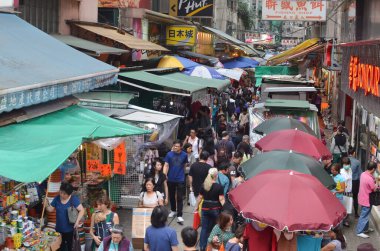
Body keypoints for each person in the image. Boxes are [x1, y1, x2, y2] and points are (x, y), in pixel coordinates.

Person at [45, 182, 85, 250]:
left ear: (69, 194)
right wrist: (46, 205)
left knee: (70, 247)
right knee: (60, 247)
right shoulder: (57, 198)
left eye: (64, 194)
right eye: (61, 192)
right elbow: (50, 209)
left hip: (70, 230)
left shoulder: (73, 199)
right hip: (59, 229)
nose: (61, 195)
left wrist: (77, 221)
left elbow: (82, 210)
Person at [195, 168, 225, 251]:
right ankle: (215, 247)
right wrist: (225, 209)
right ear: (216, 176)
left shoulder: (204, 185)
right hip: (215, 209)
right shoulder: (219, 187)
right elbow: (221, 199)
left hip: (205, 209)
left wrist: (196, 206)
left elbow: (200, 197)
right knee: (216, 227)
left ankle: (202, 246)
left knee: (204, 228)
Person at [163, 140, 188, 224]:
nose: (175, 147)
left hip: (180, 178)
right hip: (170, 178)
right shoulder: (169, 154)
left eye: (177, 146)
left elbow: (184, 165)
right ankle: (173, 210)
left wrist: (182, 174)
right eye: (174, 146)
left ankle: (179, 215)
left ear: (181, 147)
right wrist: (164, 174)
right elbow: (166, 165)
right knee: (172, 195)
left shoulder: (184, 155)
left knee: (180, 197)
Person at [356, 162, 378, 238]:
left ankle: (365, 228)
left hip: (362, 198)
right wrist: (377, 184)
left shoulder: (363, 174)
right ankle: (359, 231)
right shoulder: (369, 178)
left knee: (365, 214)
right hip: (367, 200)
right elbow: (374, 189)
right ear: (373, 169)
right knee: (364, 216)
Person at [348, 147, 362, 218]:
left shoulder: (345, 160)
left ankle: (346, 213)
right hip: (355, 181)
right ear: (354, 153)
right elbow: (360, 173)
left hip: (347, 181)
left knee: (346, 196)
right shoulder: (357, 162)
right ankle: (356, 213)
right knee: (355, 197)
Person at [340, 157, 353, 227]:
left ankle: (346, 221)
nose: (346, 165)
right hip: (343, 193)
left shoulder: (350, 170)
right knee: (343, 208)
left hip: (349, 192)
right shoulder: (341, 171)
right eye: (345, 164)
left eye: (347, 164)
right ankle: (342, 221)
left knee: (349, 208)